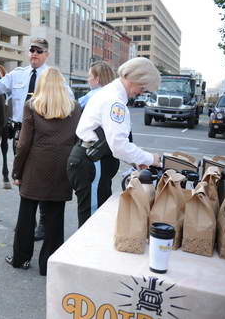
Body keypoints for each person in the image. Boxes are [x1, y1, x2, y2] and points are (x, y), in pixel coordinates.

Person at [0, 37, 73, 241]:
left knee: (43, 179)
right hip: (21, 133)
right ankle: (29, 222)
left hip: (45, 134)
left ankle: (43, 223)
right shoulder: (18, 75)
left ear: (47, 54)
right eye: (32, 50)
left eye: (39, 51)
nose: (34, 53)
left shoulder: (54, 78)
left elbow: (69, 103)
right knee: (24, 178)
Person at [67, 57, 162, 228]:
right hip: (92, 162)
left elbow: (111, 141)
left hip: (91, 159)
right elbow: (118, 145)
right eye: (143, 87)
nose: (141, 92)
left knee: (94, 218)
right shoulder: (114, 101)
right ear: (134, 79)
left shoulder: (109, 94)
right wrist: (150, 159)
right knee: (92, 224)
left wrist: (136, 161)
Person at [6, 67, 82, 276]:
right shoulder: (74, 108)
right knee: (55, 218)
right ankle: (48, 264)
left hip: (35, 167)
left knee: (26, 215)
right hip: (61, 167)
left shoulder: (32, 106)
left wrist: (16, 171)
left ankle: (21, 258)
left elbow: (23, 145)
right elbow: (77, 140)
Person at [77, 62, 117, 215]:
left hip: (95, 154)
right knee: (104, 195)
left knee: (91, 206)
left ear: (98, 78)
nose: (88, 80)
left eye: (89, 76)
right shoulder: (114, 96)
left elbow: (73, 108)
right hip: (109, 156)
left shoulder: (93, 95)